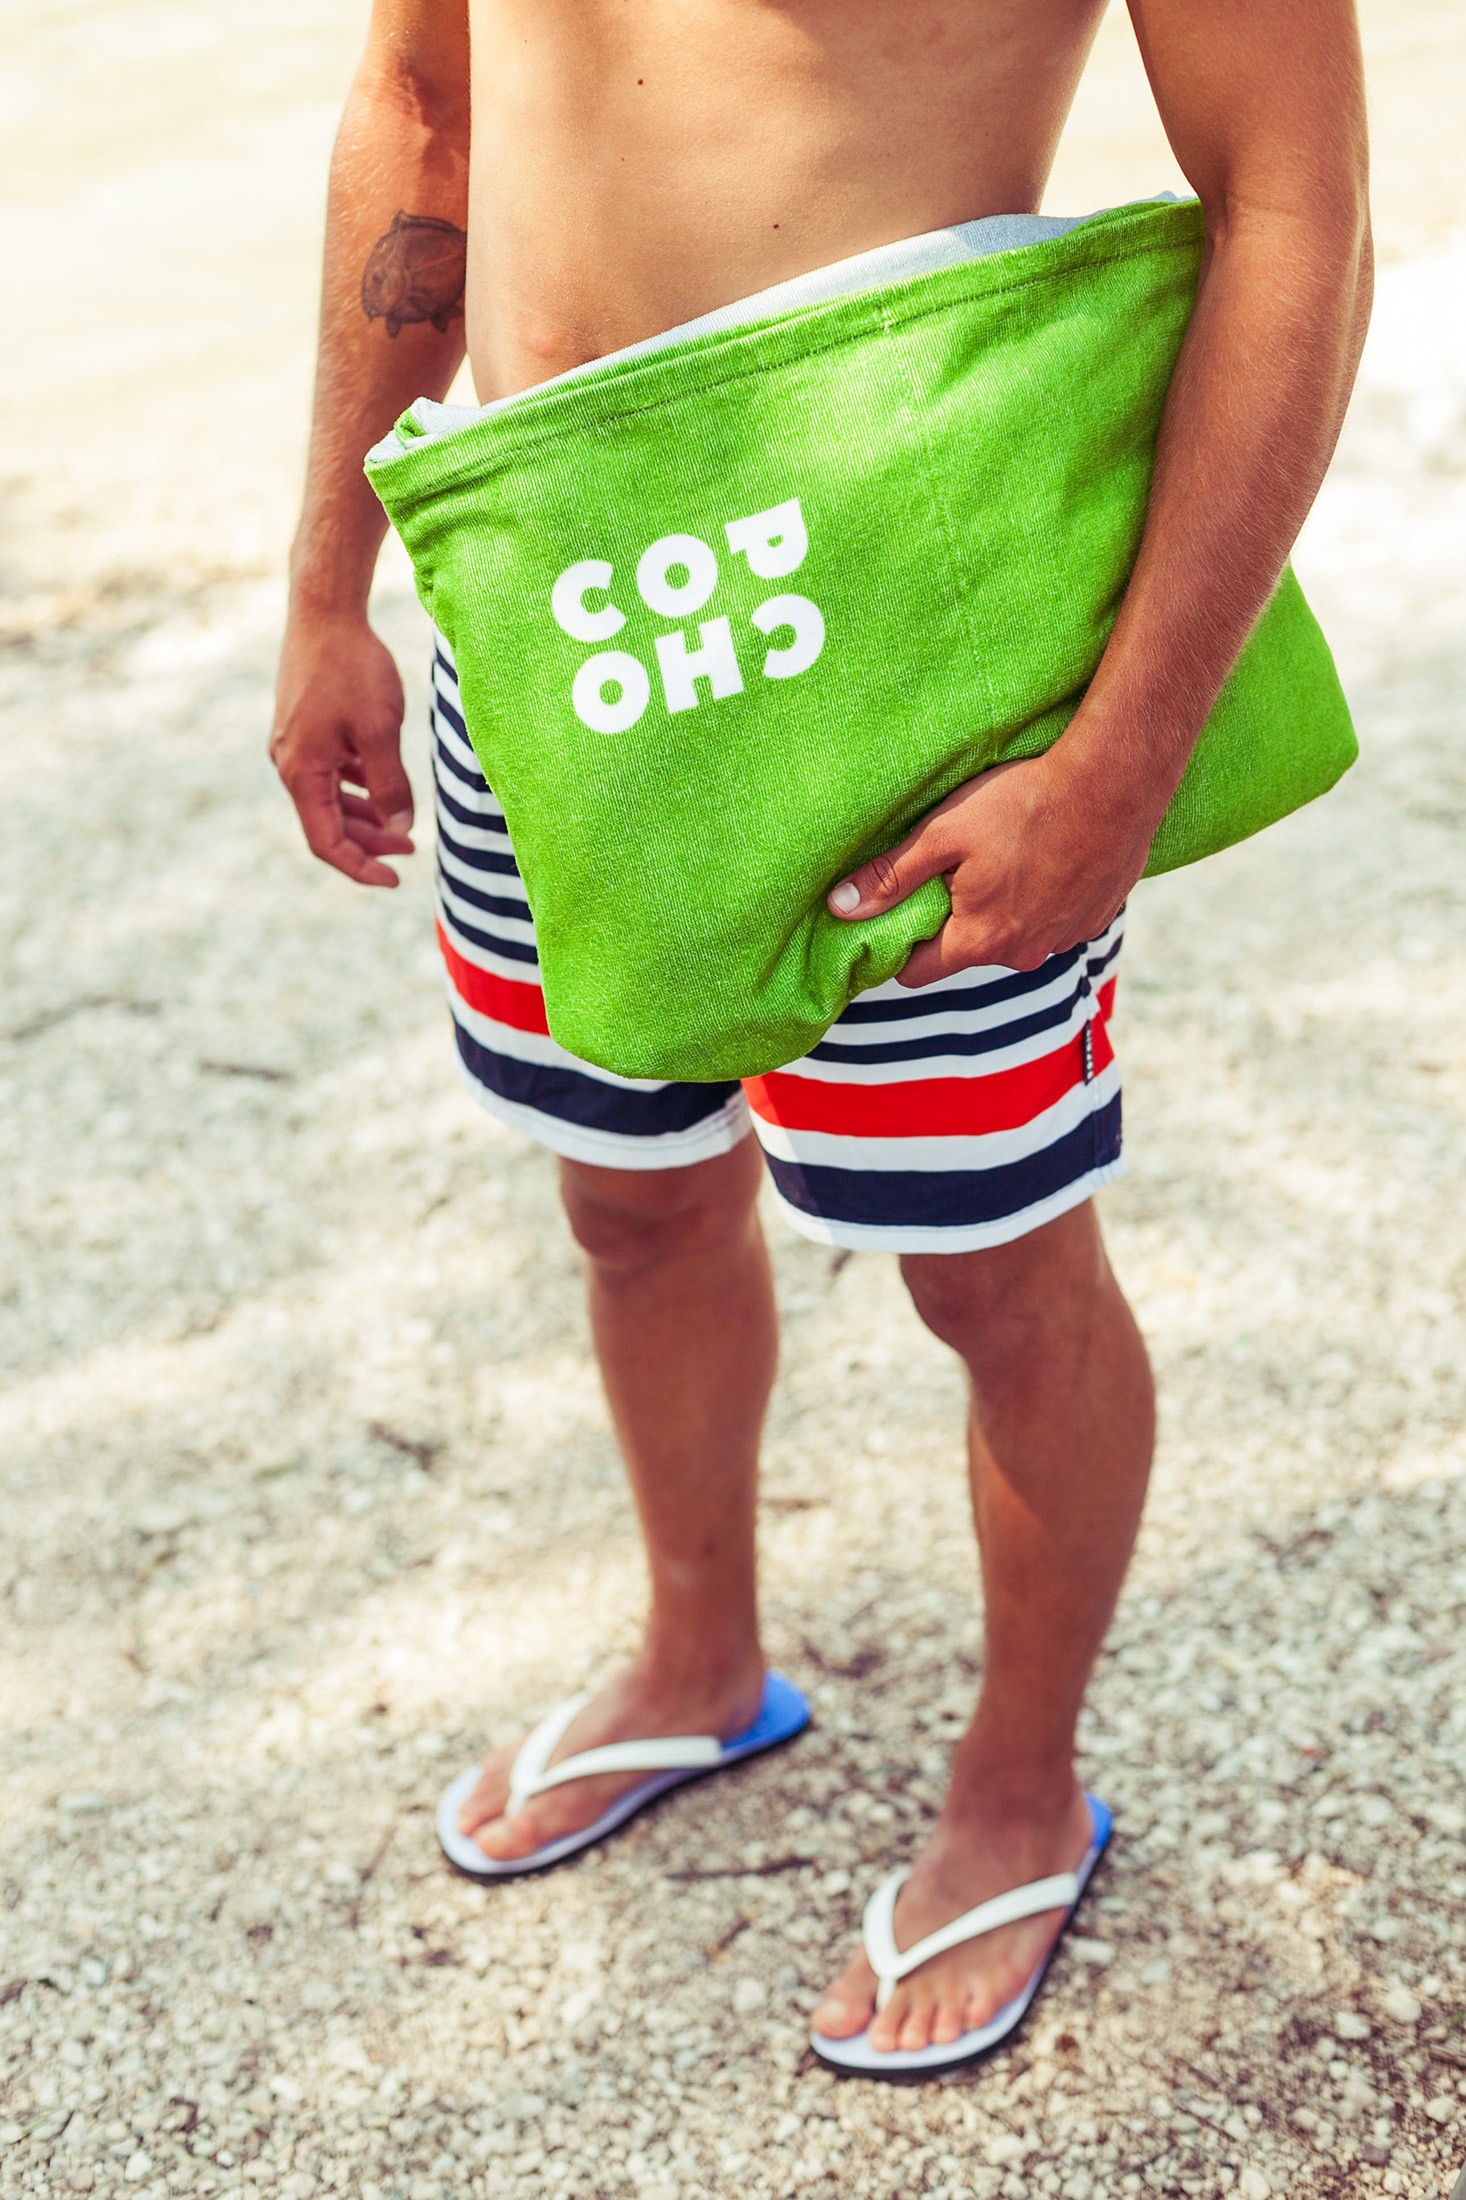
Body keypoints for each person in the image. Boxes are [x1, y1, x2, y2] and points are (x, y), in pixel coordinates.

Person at [270, 0, 1370, 2073]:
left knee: (993, 1268)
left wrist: (1115, 762)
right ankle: (697, 1660)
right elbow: (423, 102)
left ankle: (1020, 1788)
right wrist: (332, 576)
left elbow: (1290, 210)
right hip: (546, 620)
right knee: (629, 1199)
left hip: (896, 649)